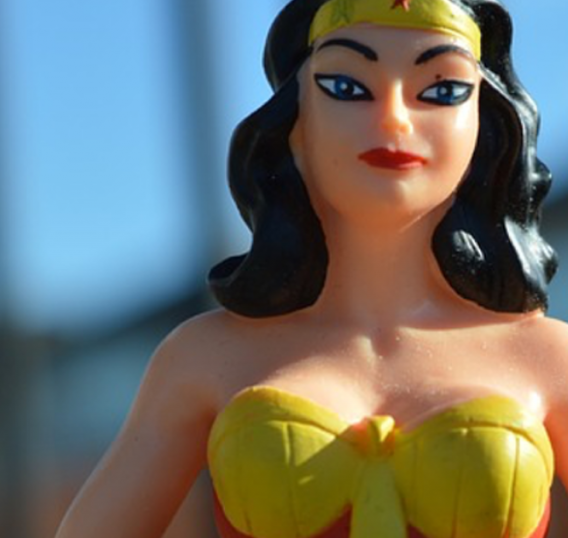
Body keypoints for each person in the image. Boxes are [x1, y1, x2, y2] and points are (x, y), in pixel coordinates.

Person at [55, 1, 568, 537]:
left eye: (443, 91)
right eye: (347, 87)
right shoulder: (206, 356)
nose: (393, 118)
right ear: (295, 123)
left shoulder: (548, 359)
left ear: (485, 124)